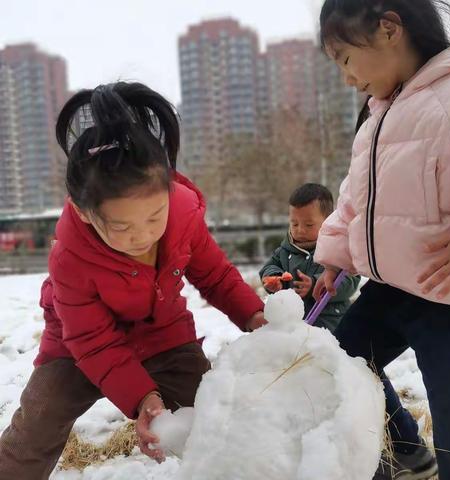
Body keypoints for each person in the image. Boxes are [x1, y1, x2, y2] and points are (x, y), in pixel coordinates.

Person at [0, 82, 266, 480]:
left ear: (170, 190)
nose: (142, 235)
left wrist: (255, 316)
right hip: (77, 347)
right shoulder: (70, 257)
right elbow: (93, 341)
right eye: (122, 226)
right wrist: (144, 397)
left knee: (216, 413)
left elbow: (216, 276)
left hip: (164, 332)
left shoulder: (183, 215)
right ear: (85, 212)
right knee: (38, 420)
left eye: (154, 216)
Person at [314, 1, 450, 479]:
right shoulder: (379, 117)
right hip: (391, 289)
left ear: (389, 28)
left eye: (345, 59)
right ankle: (401, 450)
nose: (346, 77)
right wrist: (334, 257)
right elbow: (354, 202)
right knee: (339, 365)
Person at [259, 183, 359, 331]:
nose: (300, 230)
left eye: (309, 225)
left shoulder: (336, 250)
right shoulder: (285, 251)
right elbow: (268, 268)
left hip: (329, 324)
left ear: (328, 221)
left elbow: (350, 281)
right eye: (294, 224)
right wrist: (274, 278)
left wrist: (315, 284)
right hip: (292, 325)